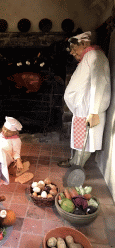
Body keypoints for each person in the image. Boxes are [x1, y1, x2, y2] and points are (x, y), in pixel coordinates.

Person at [58, 31, 111, 168]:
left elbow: (99, 83)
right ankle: (74, 162)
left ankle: (77, 169)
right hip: (82, 111)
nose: (71, 53)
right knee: (80, 141)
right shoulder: (88, 56)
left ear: (84, 44)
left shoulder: (95, 55)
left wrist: (93, 111)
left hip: (89, 111)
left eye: (74, 49)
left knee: (86, 143)